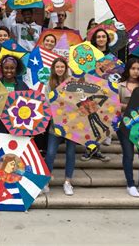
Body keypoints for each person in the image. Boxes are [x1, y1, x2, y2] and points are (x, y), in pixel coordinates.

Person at [117, 57, 139, 198]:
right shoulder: (120, 86)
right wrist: (130, 107)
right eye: (133, 68)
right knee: (128, 155)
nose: (135, 71)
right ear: (128, 70)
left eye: (138, 69)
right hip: (124, 126)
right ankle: (130, 184)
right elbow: (115, 106)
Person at [43, 57, 76, 196]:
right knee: (50, 153)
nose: (60, 69)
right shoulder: (49, 84)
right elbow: (46, 103)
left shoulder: (73, 82)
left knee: (70, 153)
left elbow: (78, 101)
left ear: (66, 68)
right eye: (57, 67)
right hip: (55, 124)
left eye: (62, 66)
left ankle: (68, 182)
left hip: (73, 125)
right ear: (53, 69)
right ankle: (45, 181)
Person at [0, 56, 28, 135]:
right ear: (2, 69)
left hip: (16, 125)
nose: (9, 71)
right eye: (6, 68)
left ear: (16, 69)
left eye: (12, 68)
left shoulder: (23, 86)